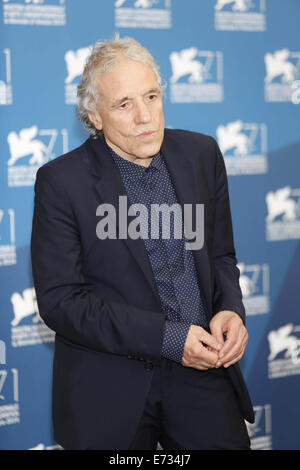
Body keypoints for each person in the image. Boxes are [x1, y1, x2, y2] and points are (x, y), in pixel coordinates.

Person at [31, 35, 254, 450]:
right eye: (123, 104)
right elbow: (62, 300)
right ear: (94, 116)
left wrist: (229, 309)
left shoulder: (202, 154)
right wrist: (168, 338)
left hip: (203, 374)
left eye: (151, 96)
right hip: (110, 387)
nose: (145, 116)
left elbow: (221, 255)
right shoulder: (61, 182)